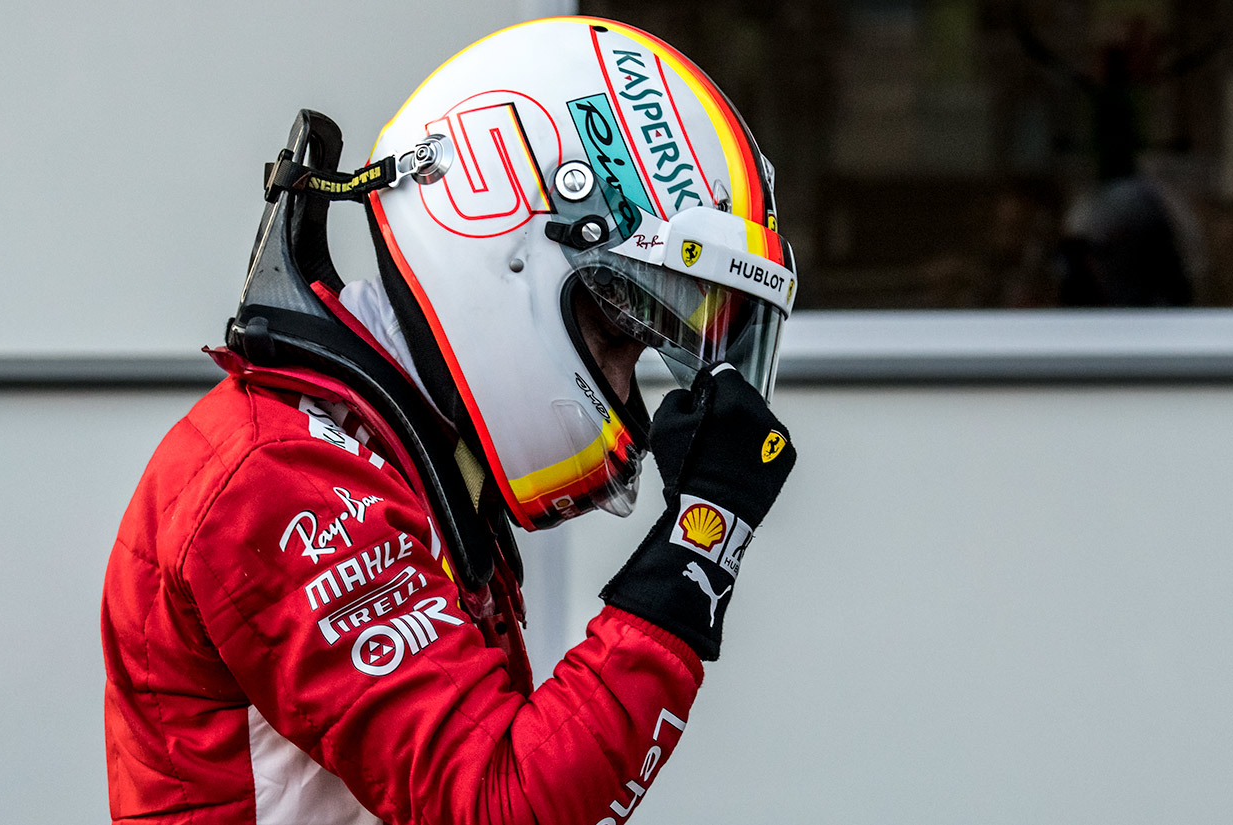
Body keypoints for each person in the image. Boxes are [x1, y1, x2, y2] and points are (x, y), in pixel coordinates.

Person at [101, 17, 799, 824]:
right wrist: (700, 537)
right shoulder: (278, 474)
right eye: (620, 335)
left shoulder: (396, 454)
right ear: (503, 240)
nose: (624, 385)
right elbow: (504, 804)